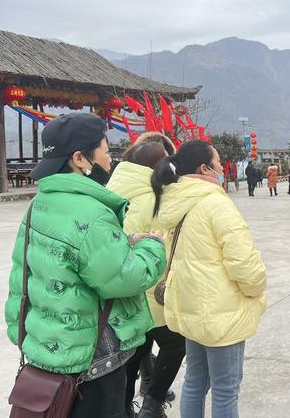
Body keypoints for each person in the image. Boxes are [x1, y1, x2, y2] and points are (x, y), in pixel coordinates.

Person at [4, 113, 167, 417]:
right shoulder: (92, 211)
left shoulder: (38, 204)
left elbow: (60, 258)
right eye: (105, 150)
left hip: (50, 348)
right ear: (81, 158)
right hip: (92, 363)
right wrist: (153, 245)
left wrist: (123, 241)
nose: (109, 160)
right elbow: (124, 277)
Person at [150, 140, 266, 418]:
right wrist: (257, 288)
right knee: (226, 389)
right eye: (218, 163)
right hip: (220, 313)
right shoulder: (215, 203)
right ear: (204, 168)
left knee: (195, 382)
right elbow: (244, 264)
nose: (222, 168)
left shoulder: (176, 202)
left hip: (191, 310)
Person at [106, 133, 185, 418]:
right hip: (147, 288)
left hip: (118, 288)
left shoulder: (115, 187)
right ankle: (152, 405)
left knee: (135, 351)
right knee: (176, 344)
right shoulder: (151, 197)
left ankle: (126, 407)